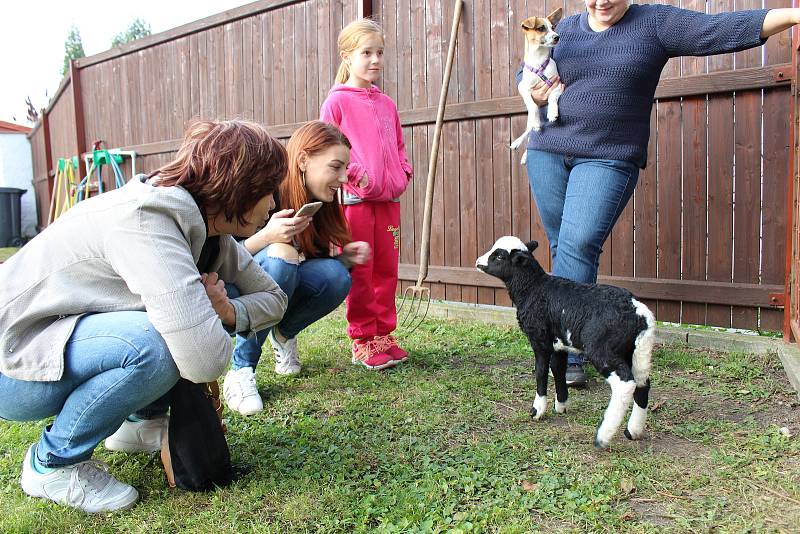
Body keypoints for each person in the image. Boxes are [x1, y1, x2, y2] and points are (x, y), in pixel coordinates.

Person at [0, 119, 288, 513]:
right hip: (13, 364)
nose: (274, 203)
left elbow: (274, 298)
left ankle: (138, 423)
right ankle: (52, 463)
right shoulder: (147, 223)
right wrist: (210, 312)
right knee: (157, 346)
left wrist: (228, 309)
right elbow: (203, 360)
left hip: (57, 343)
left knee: (177, 323)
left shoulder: (210, 230)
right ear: (238, 186)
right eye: (268, 190)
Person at [521, 0, 800, 386]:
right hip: (547, 151)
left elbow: (717, 30)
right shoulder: (563, 30)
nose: (601, 1)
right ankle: (564, 342)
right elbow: (529, 67)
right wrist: (533, 91)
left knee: (577, 242)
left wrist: (793, 14)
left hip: (607, 156)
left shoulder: (654, 23)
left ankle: (568, 353)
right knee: (561, 242)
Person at [222, 121, 370, 416]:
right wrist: (267, 237)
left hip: (278, 284)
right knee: (280, 255)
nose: (343, 178)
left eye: (345, 169)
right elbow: (221, 261)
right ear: (303, 160)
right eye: (335, 167)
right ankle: (241, 370)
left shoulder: (319, 200)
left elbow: (313, 263)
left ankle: (283, 334)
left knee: (336, 276)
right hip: (230, 290)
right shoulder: (262, 190)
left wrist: (345, 260)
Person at [320, 18, 414, 370]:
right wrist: (358, 177)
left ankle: (384, 336)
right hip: (356, 203)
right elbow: (328, 150)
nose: (375, 60)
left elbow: (399, 147)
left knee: (387, 269)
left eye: (379, 53)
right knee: (363, 270)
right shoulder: (336, 103)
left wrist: (404, 173)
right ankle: (362, 339)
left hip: (389, 202)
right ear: (347, 56)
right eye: (366, 53)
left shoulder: (387, 104)